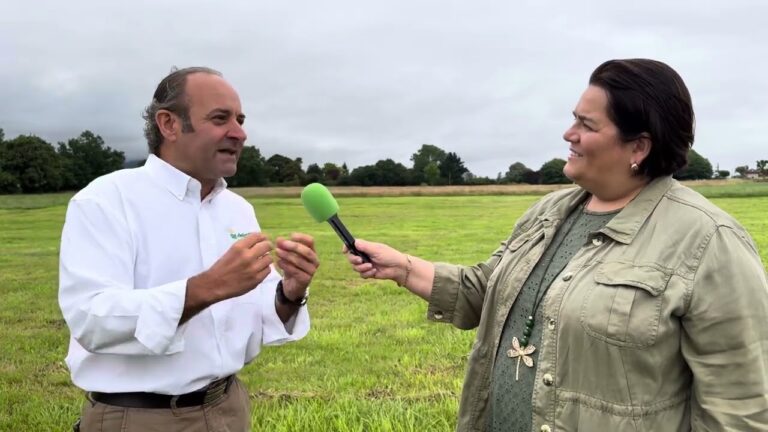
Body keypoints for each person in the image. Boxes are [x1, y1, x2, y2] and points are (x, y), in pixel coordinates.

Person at [346, 59, 768, 431]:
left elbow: (741, 406)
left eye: (587, 125)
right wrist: (401, 267)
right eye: (574, 119)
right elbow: (486, 288)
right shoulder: (547, 212)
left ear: (638, 146)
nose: (569, 133)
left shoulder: (710, 240)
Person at [59, 66, 319, 432]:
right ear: (169, 124)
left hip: (229, 408)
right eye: (220, 118)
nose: (239, 133)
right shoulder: (105, 201)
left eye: (241, 120)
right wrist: (206, 287)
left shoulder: (238, 209)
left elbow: (260, 310)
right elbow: (93, 319)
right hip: (140, 419)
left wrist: (290, 292)